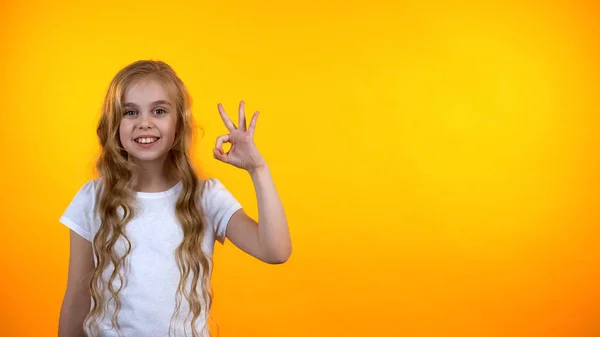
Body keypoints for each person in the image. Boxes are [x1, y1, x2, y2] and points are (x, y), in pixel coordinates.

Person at [57, 60, 292, 337]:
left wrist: (258, 169)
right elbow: (77, 298)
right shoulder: (92, 198)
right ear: (114, 125)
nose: (145, 123)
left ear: (178, 124)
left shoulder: (206, 197)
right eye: (130, 112)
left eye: (159, 111)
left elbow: (275, 251)